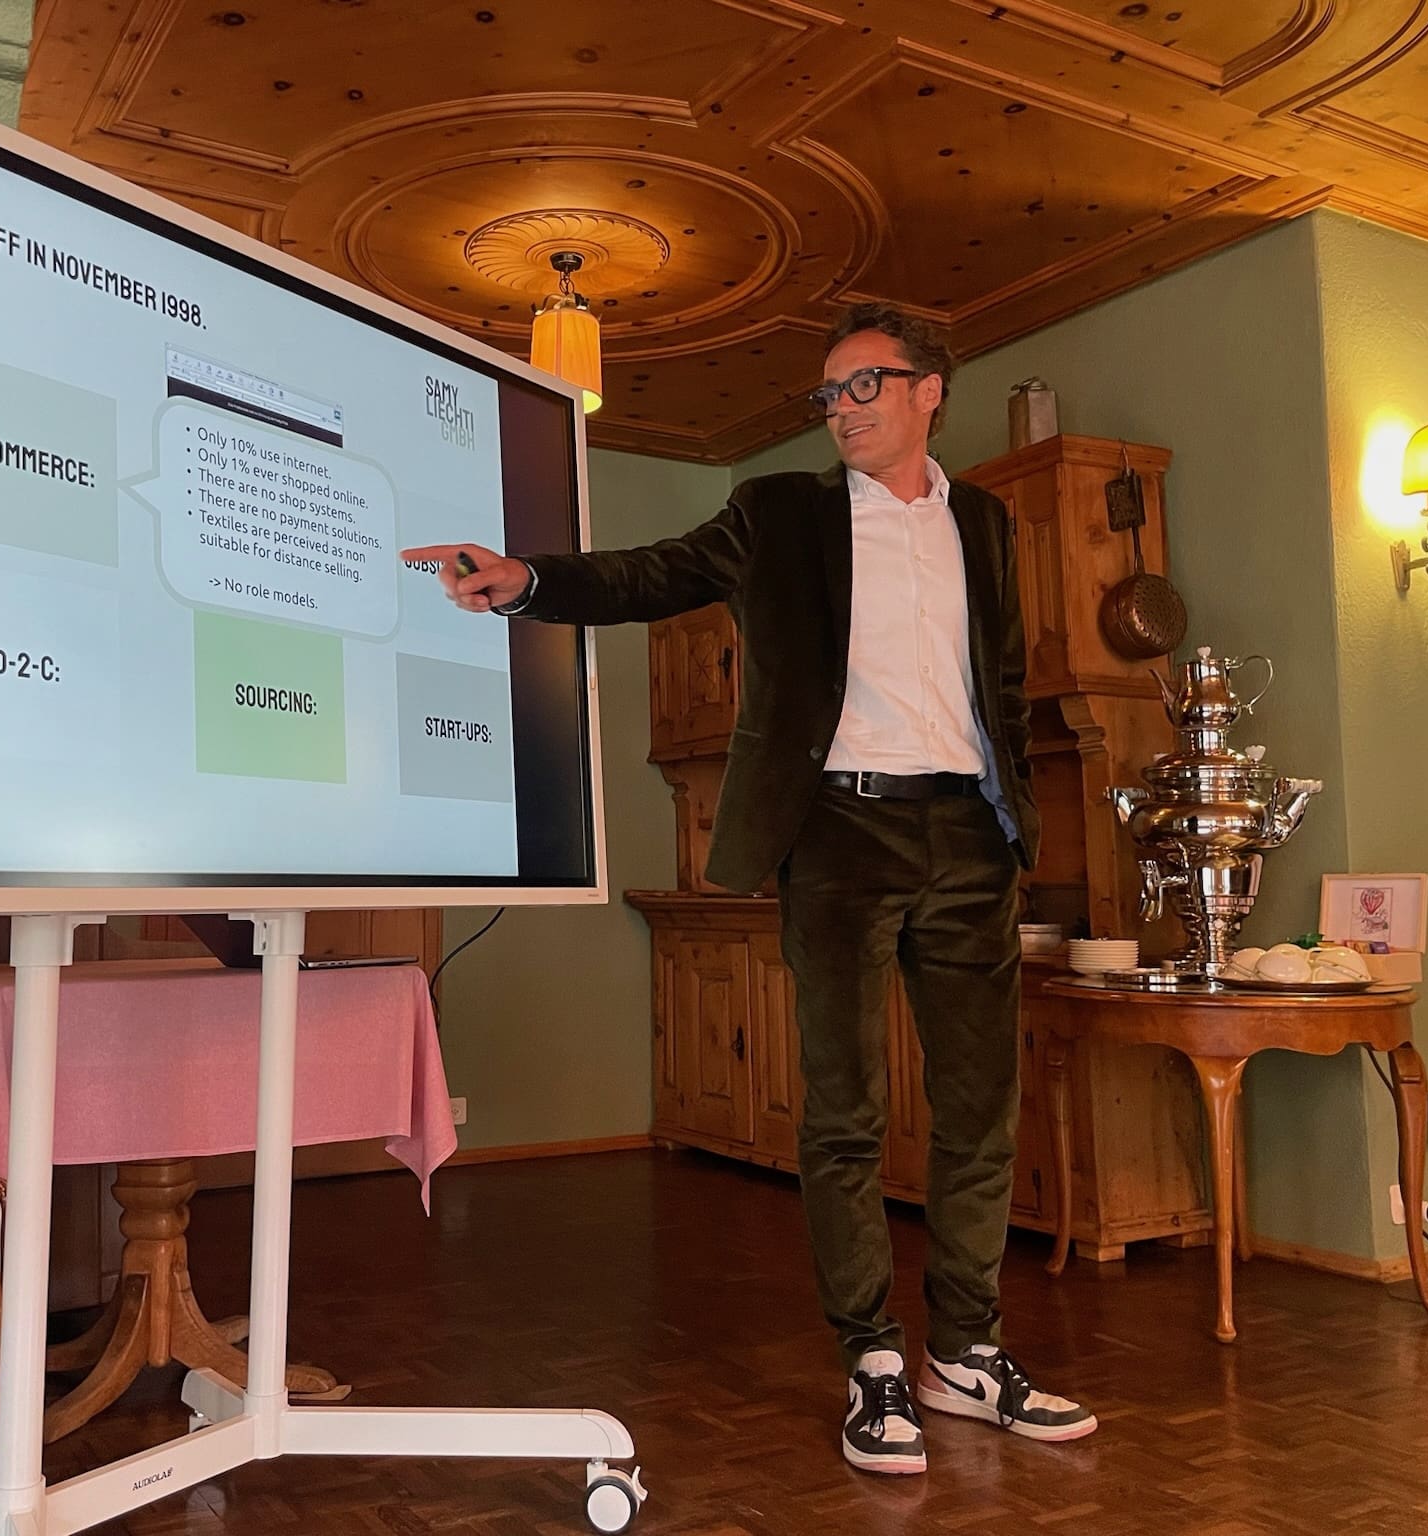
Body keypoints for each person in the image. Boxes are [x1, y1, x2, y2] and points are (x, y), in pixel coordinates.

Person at [403, 302, 1096, 1475]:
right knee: (845, 1109)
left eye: (863, 385)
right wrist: (527, 583)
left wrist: (1010, 813)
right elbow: (655, 573)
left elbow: (1002, 674)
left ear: (928, 389)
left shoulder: (982, 522)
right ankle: (872, 1360)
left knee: (980, 1107)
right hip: (837, 831)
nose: (841, 409)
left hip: (968, 837)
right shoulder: (778, 512)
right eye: (828, 393)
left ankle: (966, 1354)